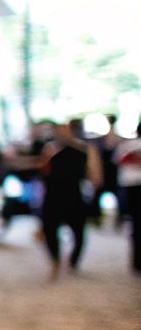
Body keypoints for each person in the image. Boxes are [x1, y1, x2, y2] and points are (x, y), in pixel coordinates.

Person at [39, 118, 102, 278]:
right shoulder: (50, 148)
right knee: (50, 230)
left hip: (74, 194)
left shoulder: (85, 149)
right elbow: (43, 171)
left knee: (79, 232)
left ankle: (73, 261)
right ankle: (55, 260)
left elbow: (95, 175)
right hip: (52, 195)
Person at [116, 131, 141, 273]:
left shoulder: (126, 145)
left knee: (135, 225)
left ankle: (136, 261)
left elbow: (118, 160)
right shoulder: (128, 145)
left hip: (130, 187)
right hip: (133, 186)